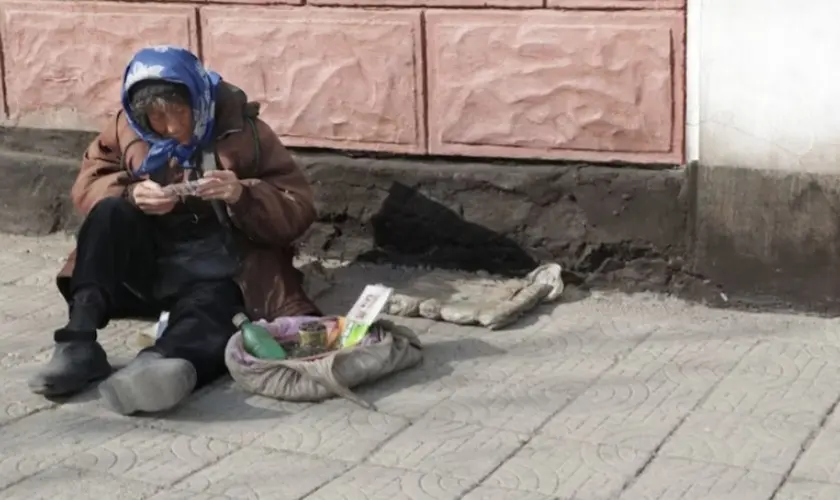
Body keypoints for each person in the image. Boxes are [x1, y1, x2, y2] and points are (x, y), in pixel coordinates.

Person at [27, 46, 319, 415]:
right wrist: (132, 193)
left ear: (198, 99)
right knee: (110, 212)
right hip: (149, 264)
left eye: (180, 113)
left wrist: (242, 194)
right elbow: (89, 182)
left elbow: (297, 206)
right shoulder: (124, 129)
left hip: (220, 266)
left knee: (218, 311)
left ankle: (160, 364)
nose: (172, 128)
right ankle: (78, 344)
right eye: (156, 118)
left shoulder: (244, 132)